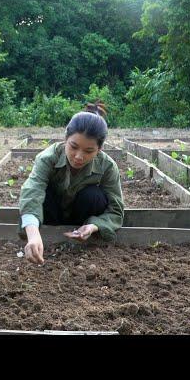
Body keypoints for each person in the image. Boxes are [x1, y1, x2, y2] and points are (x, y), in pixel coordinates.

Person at [18, 103, 124, 264]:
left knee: (94, 196)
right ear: (65, 139)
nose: (79, 156)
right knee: (42, 194)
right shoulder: (47, 158)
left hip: (82, 219)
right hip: (50, 216)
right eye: (73, 147)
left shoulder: (107, 166)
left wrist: (93, 226)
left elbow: (116, 210)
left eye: (89, 151)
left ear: (99, 149)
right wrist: (33, 235)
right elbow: (32, 192)